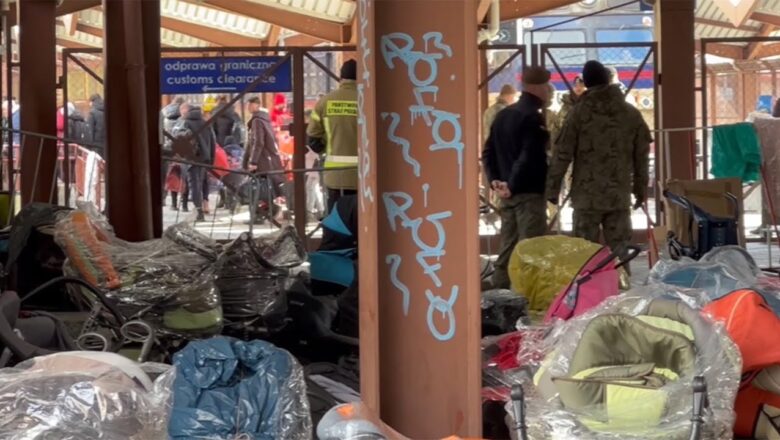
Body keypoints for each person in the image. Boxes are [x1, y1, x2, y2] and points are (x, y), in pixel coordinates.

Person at [546, 60, 652, 272]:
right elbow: (642, 157)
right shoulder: (630, 113)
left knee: (584, 255)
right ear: (608, 80)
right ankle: (622, 294)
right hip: (618, 196)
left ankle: (588, 299)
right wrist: (640, 190)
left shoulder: (579, 113)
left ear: (586, 83)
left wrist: (553, 188)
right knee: (620, 254)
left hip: (587, 198)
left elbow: (563, 153)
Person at [482, 67, 552, 289]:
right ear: (540, 88)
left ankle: (500, 296)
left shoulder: (503, 114)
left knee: (508, 247)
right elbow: (528, 156)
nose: (550, 92)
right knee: (531, 250)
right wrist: (512, 184)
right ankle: (527, 300)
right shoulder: (533, 117)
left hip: (506, 194)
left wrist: (495, 180)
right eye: (548, 88)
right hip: (528, 193)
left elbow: (488, 151)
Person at [307, 59, 358, 213]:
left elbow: (313, 139)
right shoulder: (369, 99)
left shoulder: (324, 102)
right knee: (364, 225)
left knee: (338, 224)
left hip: (336, 177)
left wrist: (327, 146)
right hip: (366, 177)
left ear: (341, 78)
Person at [178, 103, 216, 222]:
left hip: (191, 159)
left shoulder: (186, 123)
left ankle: (199, 211)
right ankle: (200, 209)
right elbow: (213, 142)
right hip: (204, 159)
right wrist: (211, 160)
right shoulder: (206, 123)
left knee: (194, 184)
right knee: (199, 183)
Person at [244, 96, 286, 196]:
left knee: (262, 189)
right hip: (270, 158)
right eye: (248, 104)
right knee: (272, 187)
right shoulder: (265, 119)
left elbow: (258, 142)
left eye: (251, 104)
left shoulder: (257, 120)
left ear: (257, 105)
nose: (248, 107)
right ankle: (275, 207)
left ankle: (269, 208)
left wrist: (253, 161)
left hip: (262, 160)